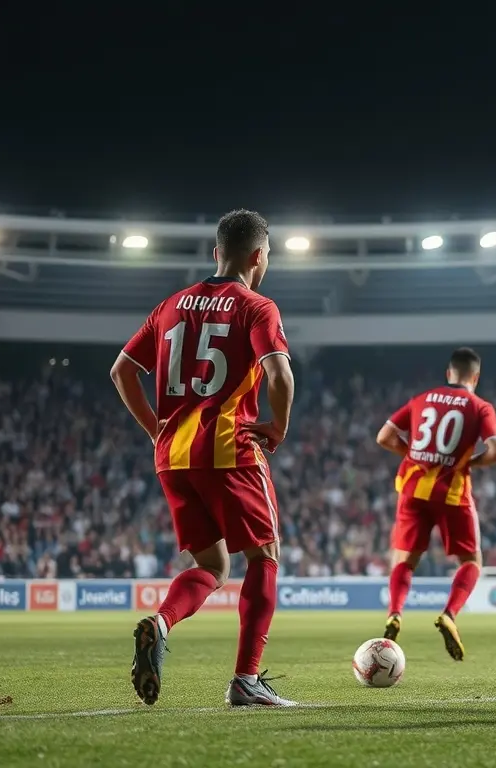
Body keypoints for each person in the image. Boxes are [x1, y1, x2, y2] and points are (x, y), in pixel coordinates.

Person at [111, 209, 295, 707]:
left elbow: (121, 372)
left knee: (213, 566)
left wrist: (155, 430)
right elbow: (279, 374)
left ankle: (162, 621)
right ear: (259, 256)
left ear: (216, 252)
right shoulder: (257, 307)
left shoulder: (169, 306)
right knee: (264, 556)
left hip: (173, 458)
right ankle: (245, 680)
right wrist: (277, 425)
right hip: (227, 449)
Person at [375, 347, 496, 660]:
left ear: (449, 374)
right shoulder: (480, 406)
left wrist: (414, 455)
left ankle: (394, 612)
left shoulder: (422, 399)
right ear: (475, 377)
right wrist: (467, 462)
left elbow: (384, 437)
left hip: (412, 489)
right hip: (452, 492)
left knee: (404, 560)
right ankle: (449, 614)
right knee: (471, 562)